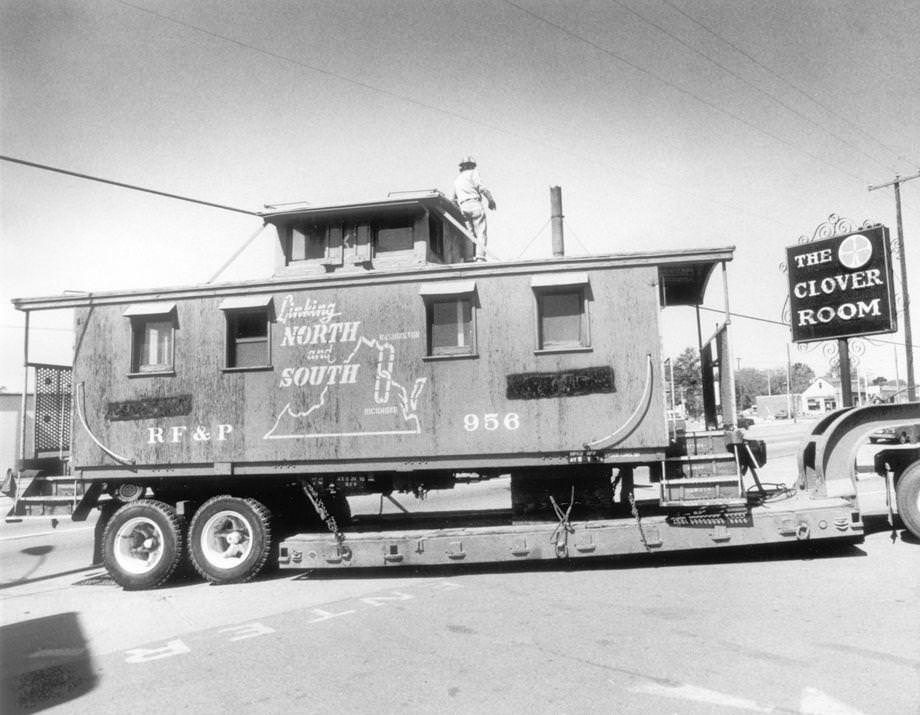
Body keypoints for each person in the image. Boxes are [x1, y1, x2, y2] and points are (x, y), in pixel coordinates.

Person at [452, 156, 496, 261]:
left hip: (463, 206)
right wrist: (491, 200)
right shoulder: (473, 173)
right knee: (480, 231)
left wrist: (461, 208)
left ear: (461, 167)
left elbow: (453, 199)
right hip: (474, 204)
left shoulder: (457, 180)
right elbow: (482, 188)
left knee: (468, 234)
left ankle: (469, 258)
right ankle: (480, 257)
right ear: (472, 166)